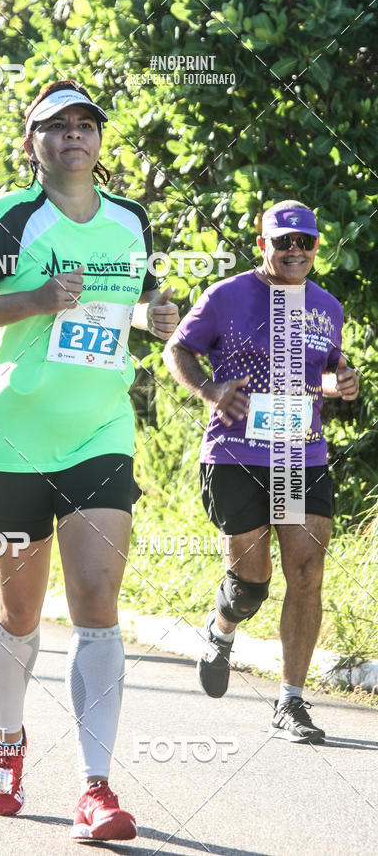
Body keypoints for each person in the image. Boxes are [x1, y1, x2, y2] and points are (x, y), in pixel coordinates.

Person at [0, 79, 178, 840]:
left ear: (100, 141)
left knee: (98, 601)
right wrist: (36, 298)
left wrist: (150, 315)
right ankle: (8, 741)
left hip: (100, 429)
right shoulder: (11, 217)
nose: (74, 135)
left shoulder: (129, 219)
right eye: (56, 125)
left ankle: (96, 788)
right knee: (21, 613)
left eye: (86, 124)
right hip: (14, 437)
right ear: (31, 142)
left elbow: (128, 302)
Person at [163, 200, 359, 743]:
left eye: (305, 242)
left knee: (306, 572)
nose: (294, 251)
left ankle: (291, 702)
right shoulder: (226, 296)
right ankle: (222, 628)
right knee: (252, 582)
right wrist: (208, 389)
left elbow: (323, 371)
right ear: (263, 244)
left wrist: (342, 381)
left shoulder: (327, 306)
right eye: (283, 242)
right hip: (236, 454)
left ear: (316, 246)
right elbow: (177, 351)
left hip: (300, 454)